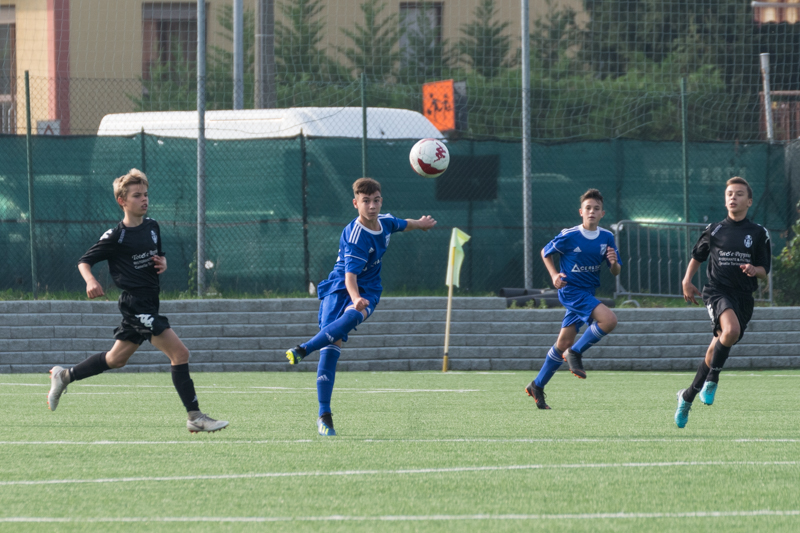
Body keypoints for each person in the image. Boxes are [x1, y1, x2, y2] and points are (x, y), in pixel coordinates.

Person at [46, 169, 228, 433]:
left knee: (116, 359)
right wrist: (91, 281)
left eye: (145, 194)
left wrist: (163, 262)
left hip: (150, 302)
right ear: (122, 201)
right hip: (136, 305)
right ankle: (195, 417)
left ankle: (64, 376)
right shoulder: (115, 236)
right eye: (137, 195)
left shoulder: (152, 226)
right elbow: (84, 262)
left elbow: (158, 256)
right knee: (180, 353)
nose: (144, 199)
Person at [285, 177, 436, 436]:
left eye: (376, 200)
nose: (372, 206)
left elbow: (404, 224)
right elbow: (350, 278)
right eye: (366, 201)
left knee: (353, 318)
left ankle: (303, 349)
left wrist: (420, 224)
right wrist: (354, 298)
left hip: (370, 290)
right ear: (356, 203)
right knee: (331, 348)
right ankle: (324, 415)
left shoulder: (386, 222)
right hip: (340, 288)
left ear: (381, 201)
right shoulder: (356, 236)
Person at [675, 177, 771, 428]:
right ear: (725, 199)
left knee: (714, 349)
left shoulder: (758, 233)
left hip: (743, 298)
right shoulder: (715, 229)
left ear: (749, 201)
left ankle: (687, 397)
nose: (733, 197)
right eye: (729, 194)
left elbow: (764, 270)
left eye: (739, 194)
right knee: (731, 330)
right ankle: (713, 380)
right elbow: (698, 256)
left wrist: (754, 270)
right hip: (717, 292)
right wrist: (687, 280)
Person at [525, 188, 621, 409]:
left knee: (563, 342)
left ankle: (537, 385)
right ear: (581, 212)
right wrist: (554, 275)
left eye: (596, 208)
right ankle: (575, 352)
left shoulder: (607, 237)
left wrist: (614, 262)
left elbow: (615, 271)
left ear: (602, 213)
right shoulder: (570, 235)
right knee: (609, 320)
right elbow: (545, 252)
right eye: (588, 208)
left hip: (587, 293)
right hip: (570, 290)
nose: (592, 212)